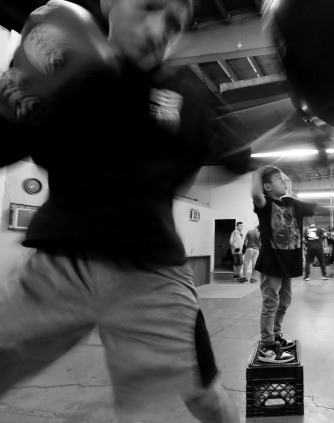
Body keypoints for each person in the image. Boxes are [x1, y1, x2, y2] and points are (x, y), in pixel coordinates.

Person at [0, 0, 241, 422]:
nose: (160, 29)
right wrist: (16, 88)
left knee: (202, 399)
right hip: (58, 268)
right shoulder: (66, 63)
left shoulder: (184, 94)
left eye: (175, 22)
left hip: (152, 277)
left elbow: (232, 156)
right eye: (149, 7)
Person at [252, 166, 317, 363]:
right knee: (271, 302)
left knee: (285, 301)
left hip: (287, 264)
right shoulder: (265, 204)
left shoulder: (290, 204)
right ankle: (266, 344)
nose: (284, 182)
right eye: (279, 179)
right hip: (271, 263)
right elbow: (256, 193)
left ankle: (275, 334)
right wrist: (257, 171)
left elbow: (309, 209)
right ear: (267, 186)